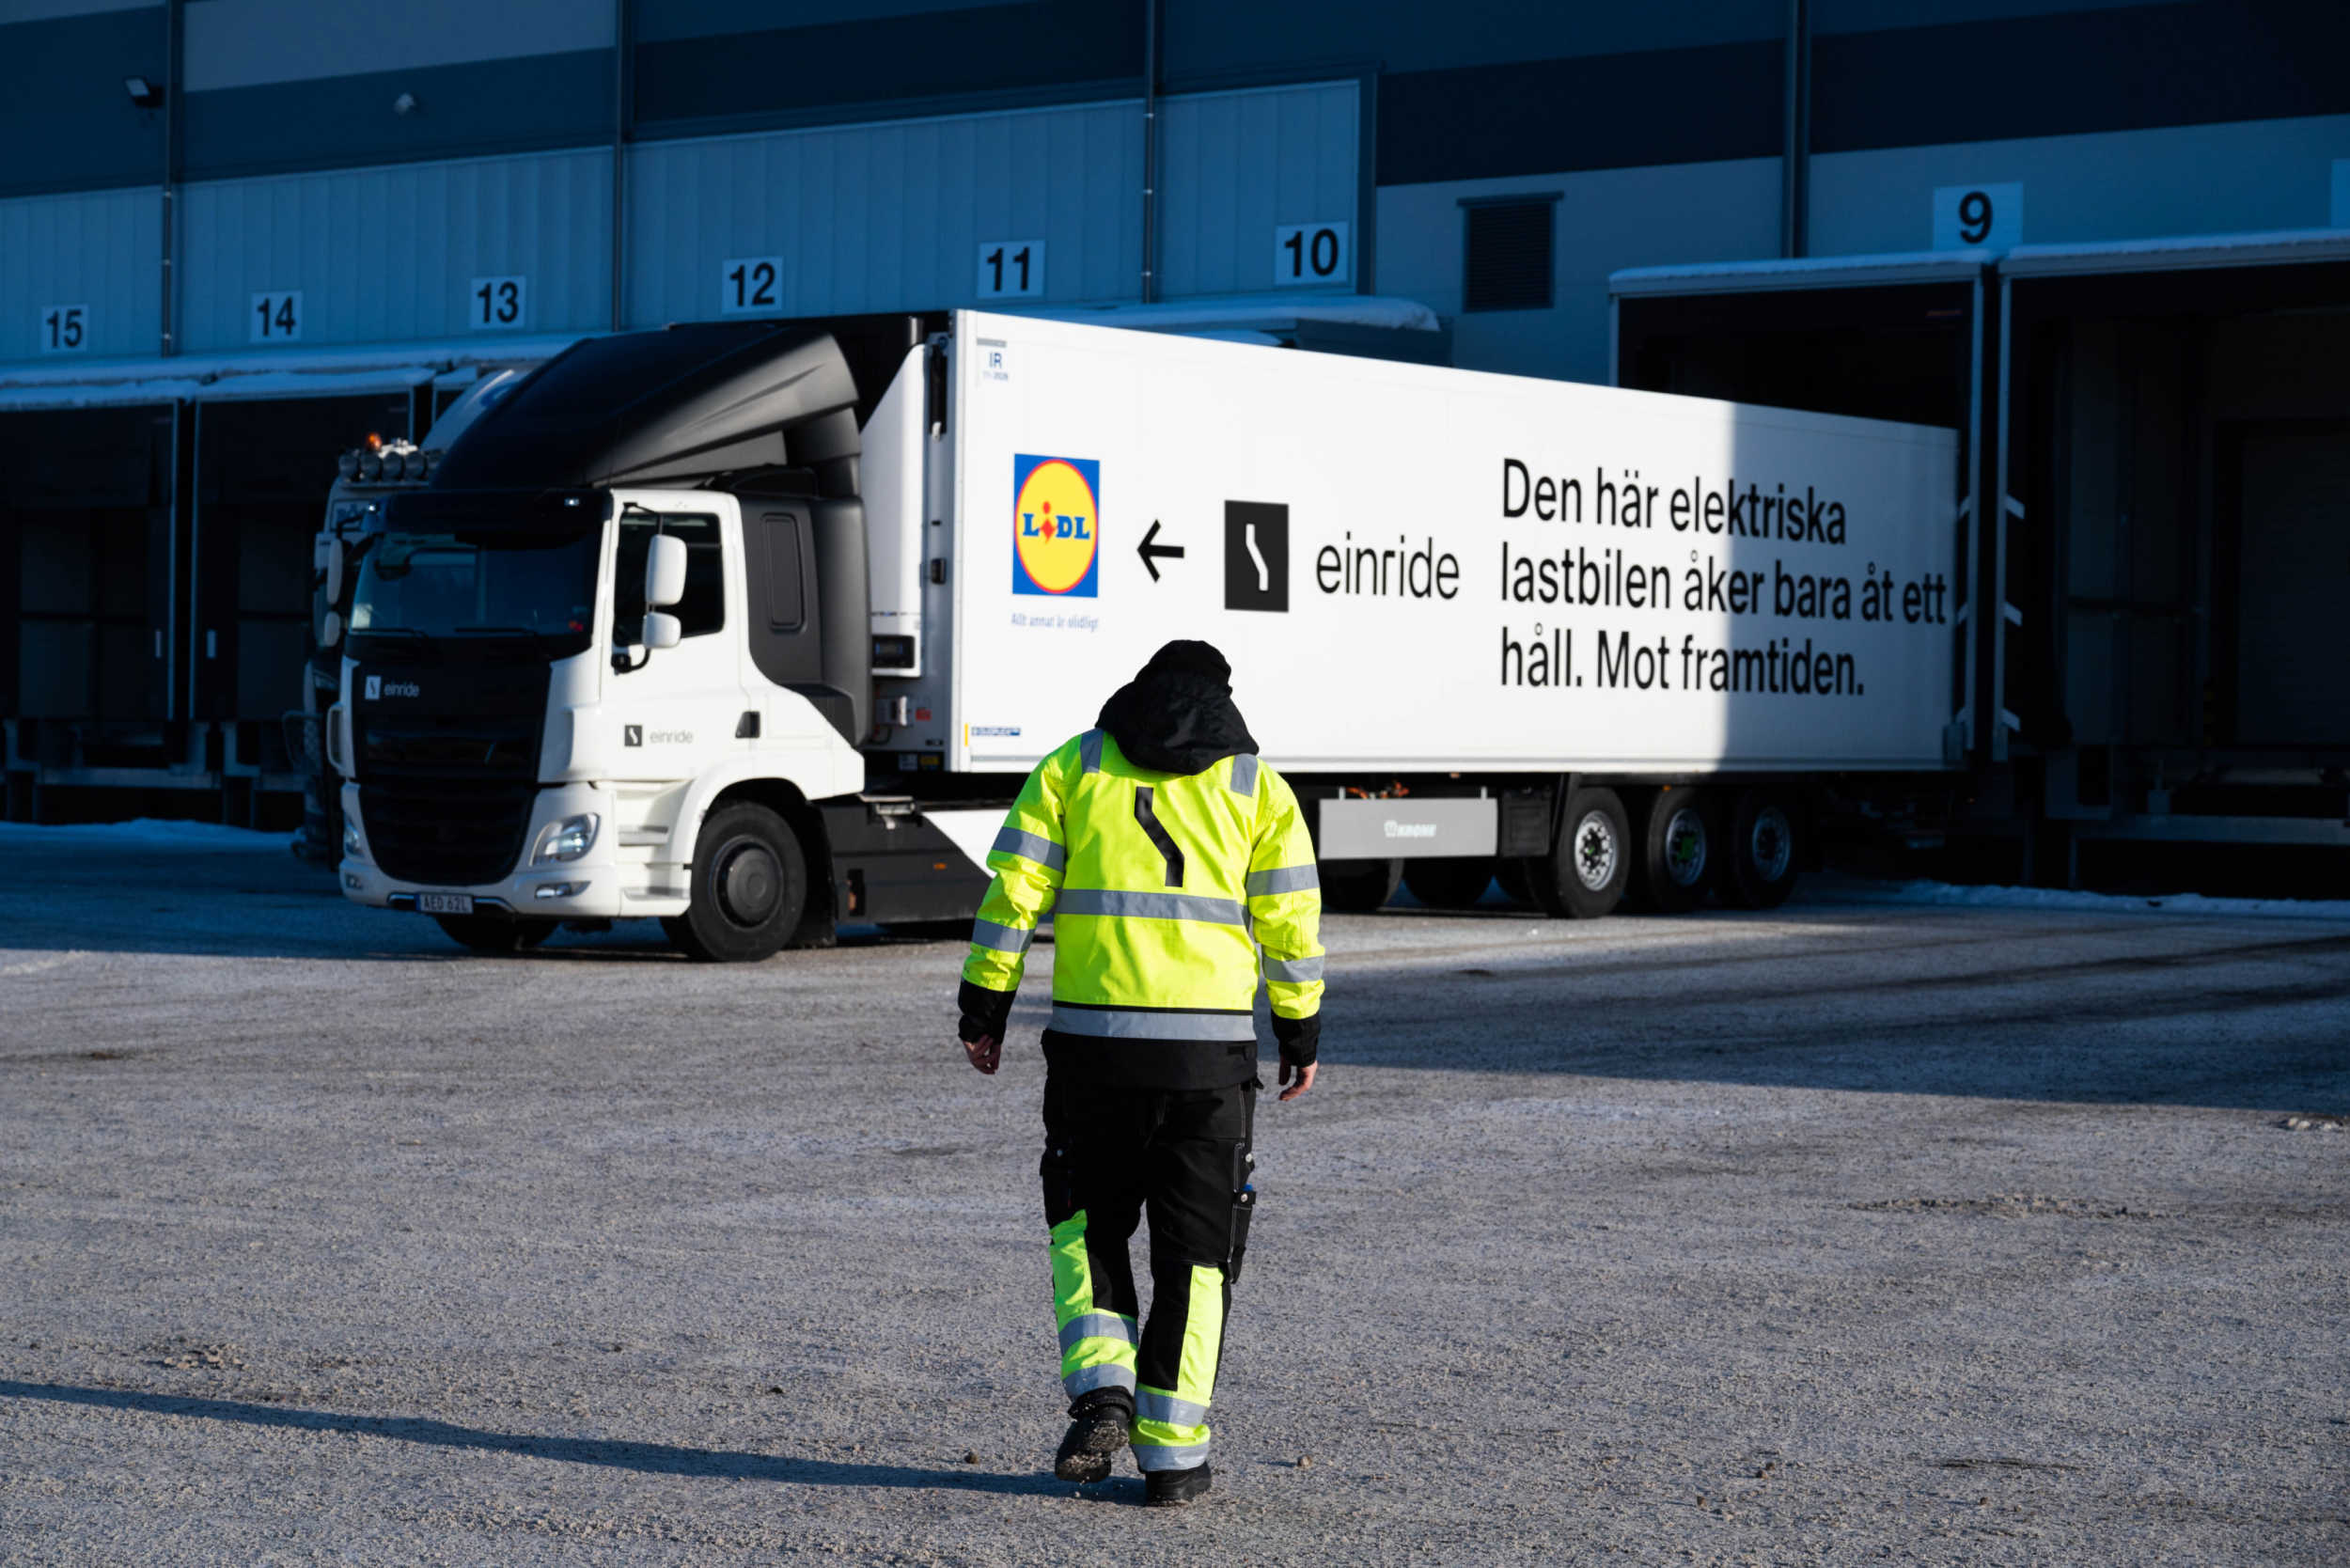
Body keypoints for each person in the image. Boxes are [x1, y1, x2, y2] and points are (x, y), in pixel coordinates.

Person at [956, 639, 1324, 1507]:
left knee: (1089, 1225)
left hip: (1092, 1053)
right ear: (1221, 700)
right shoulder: (1254, 787)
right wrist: (1300, 1031)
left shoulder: (1073, 768)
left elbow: (1012, 896)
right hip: (1208, 1065)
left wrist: (984, 1011)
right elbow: (1291, 919)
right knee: (1198, 1257)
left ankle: (1103, 1390)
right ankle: (1173, 1459)